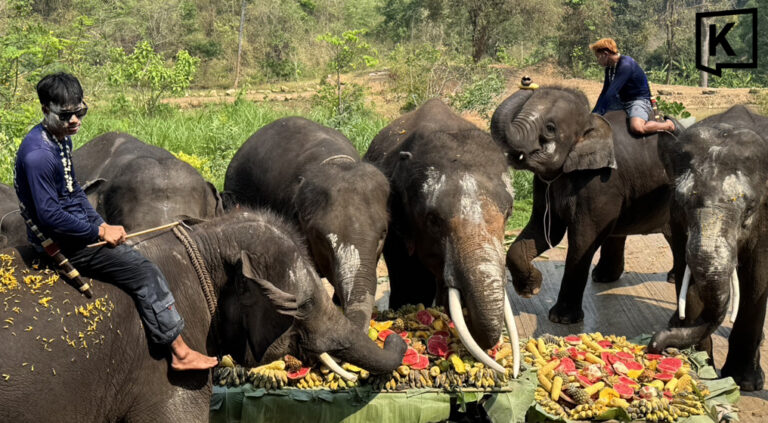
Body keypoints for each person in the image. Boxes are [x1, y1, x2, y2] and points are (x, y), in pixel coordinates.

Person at [14, 72, 217, 371]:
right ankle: (179, 352)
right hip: (58, 240)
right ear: (45, 109)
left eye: (79, 112)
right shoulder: (38, 156)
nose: (74, 121)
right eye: (66, 114)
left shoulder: (59, 139)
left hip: (74, 226)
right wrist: (97, 230)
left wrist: (100, 221)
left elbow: (74, 193)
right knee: (146, 271)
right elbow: (50, 215)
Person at [590, 38, 675, 135]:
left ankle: (668, 125)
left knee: (637, 128)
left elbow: (612, 92)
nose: (598, 60)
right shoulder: (609, 68)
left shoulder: (626, 65)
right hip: (622, 100)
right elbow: (605, 92)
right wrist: (594, 113)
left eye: (598, 57)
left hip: (638, 100)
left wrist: (597, 114)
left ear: (605, 54)